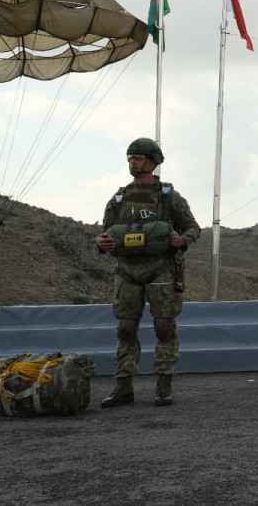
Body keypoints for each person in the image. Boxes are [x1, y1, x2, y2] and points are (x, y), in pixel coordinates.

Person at [94, 137, 200, 407]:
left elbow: (193, 227)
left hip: (161, 270)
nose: (132, 162)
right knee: (125, 329)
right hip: (127, 272)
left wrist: (182, 240)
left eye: (138, 158)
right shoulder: (118, 199)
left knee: (164, 327)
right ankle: (123, 387)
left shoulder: (169, 197)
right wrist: (101, 243)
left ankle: (164, 386)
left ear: (153, 162)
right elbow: (105, 232)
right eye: (130, 157)